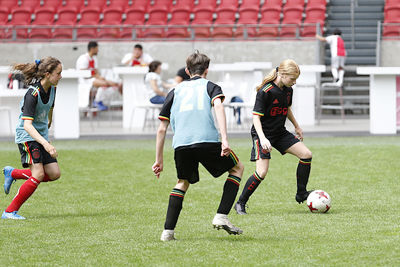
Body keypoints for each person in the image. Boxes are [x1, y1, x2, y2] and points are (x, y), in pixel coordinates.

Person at [152, 51, 244, 241]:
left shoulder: (175, 91)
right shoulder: (211, 86)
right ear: (207, 71)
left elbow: (162, 129)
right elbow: (218, 106)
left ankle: (167, 232)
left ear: (187, 71)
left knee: (182, 182)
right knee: (237, 168)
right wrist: (224, 139)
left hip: (181, 144)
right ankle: (221, 216)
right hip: (207, 141)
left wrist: (158, 160)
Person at [234, 59, 313, 215]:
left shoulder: (288, 90)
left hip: (280, 132)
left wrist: (296, 126)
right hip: (262, 134)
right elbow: (255, 118)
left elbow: (287, 108)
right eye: (292, 79)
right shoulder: (265, 91)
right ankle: (240, 203)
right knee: (261, 172)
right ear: (282, 74)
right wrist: (263, 139)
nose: (295, 82)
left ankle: (301, 193)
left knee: (306, 155)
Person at [2, 57, 63, 220]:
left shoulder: (52, 89)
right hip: (27, 136)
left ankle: (13, 173)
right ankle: (9, 212)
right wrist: (46, 144)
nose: (61, 76)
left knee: (54, 173)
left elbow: (50, 107)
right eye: (58, 73)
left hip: (40, 135)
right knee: (38, 174)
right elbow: (28, 125)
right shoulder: (32, 93)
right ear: (48, 74)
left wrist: (48, 123)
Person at [76, 41, 122, 111]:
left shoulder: (94, 59)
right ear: (92, 49)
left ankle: (99, 100)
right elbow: (84, 74)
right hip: (85, 80)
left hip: (94, 78)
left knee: (115, 84)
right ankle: (97, 101)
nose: (98, 50)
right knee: (105, 84)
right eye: (97, 48)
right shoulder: (83, 59)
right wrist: (98, 77)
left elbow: (96, 72)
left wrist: (100, 77)